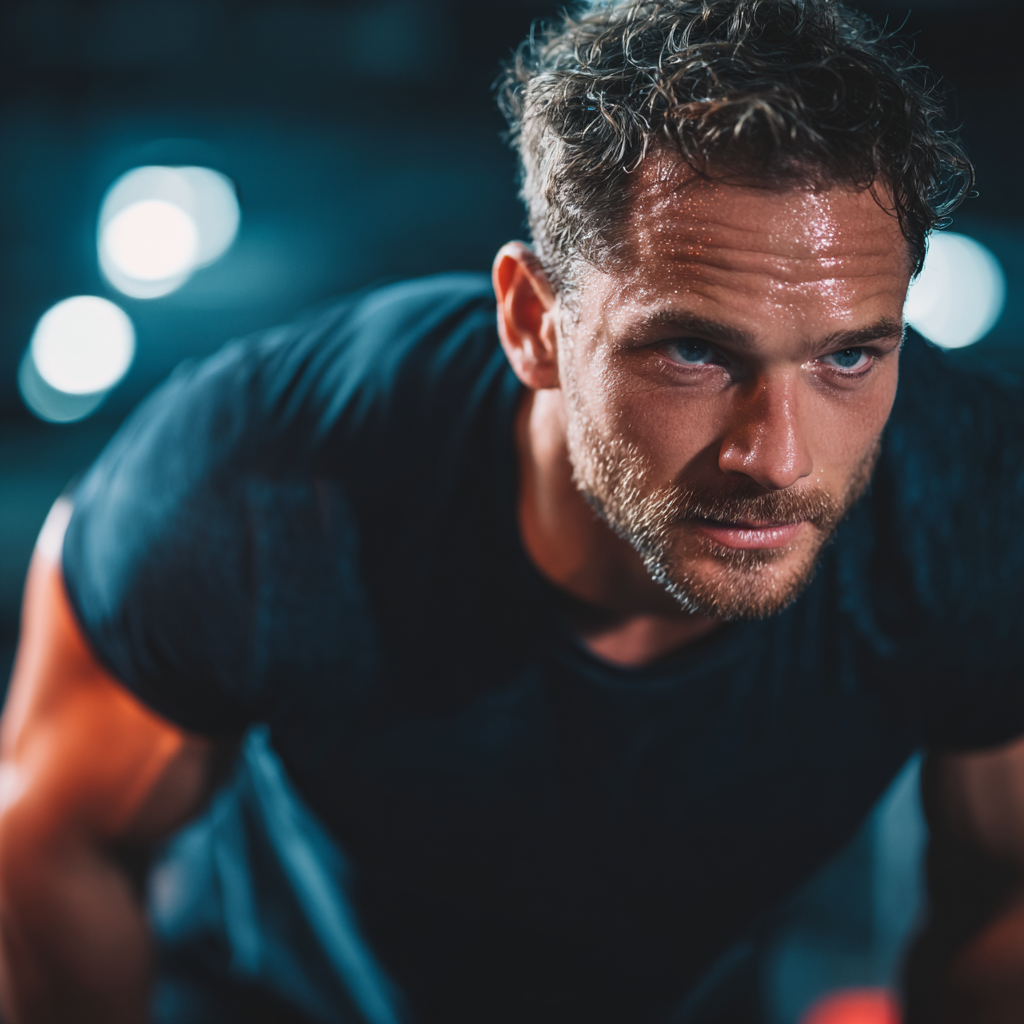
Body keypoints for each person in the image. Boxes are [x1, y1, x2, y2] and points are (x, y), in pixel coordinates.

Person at [2, 0, 1023, 1021]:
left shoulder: (970, 506)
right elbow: (46, 843)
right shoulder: (258, 480)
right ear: (534, 322)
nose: (778, 456)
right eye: (694, 352)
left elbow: (1004, 902)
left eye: (848, 354)